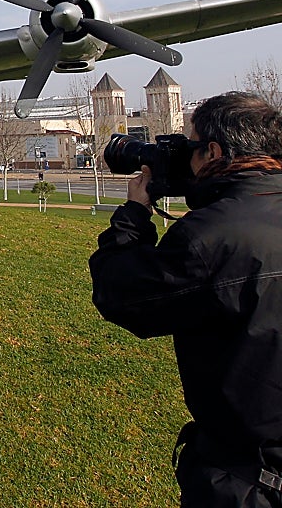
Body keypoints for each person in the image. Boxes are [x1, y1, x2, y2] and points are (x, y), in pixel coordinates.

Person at [89, 91, 282, 506]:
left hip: (250, 480)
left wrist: (134, 215)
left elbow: (120, 294)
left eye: (190, 147)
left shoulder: (212, 236)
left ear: (214, 152)